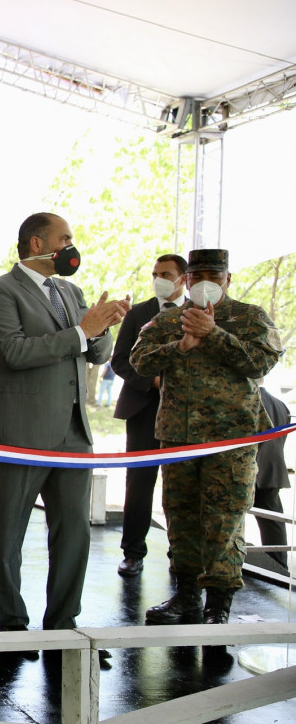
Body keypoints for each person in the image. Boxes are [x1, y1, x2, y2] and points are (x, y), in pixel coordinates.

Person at [0, 212, 129, 647]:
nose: (71, 247)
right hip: (20, 434)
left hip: (74, 432)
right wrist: (83, 330)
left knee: (74, 532)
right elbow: (14, 352)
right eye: (65, 239)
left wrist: (102, 327)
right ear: (37, 243)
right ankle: (12, 626)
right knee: (10, 534)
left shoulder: (70, 290)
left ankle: (63, 626)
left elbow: (95, 352)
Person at [132, 249, 282, 626]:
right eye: (197, 277)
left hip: (230, 440)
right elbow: (140, 361)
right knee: (180, 517)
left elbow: (260, 363)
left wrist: (214, 335)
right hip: (178, 436)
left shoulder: (249, 317)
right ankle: (186, 597)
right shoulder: (168, 320)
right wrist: (180, 346)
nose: (205, 285)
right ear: (186, 280)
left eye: (214, 278)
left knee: (224, 519)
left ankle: (219, 603)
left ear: (227, 280)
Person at [110, 254, 188, 577]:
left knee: (182, 485)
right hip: (143, 409)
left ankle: (181, 554)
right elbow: (119, 360)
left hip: (186, 413)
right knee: (139, 484)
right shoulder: (138, 313)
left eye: (166, 274)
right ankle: (133, 553)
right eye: (155, 274)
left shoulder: (199, 313)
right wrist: (153, 380)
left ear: (184, 278)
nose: (159, 279)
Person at [254, 384, 291, 574]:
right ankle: (279, 566)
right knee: (273, 520)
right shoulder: (280, 405)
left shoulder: (246, 400)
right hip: (273, 469)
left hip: (250, 470)